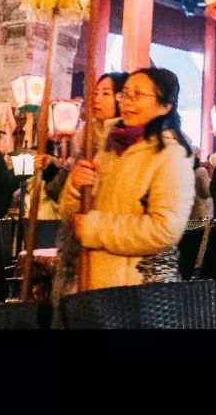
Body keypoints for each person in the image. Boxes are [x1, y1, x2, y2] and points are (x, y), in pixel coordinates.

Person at [60, 68, 195, 289]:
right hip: (92, 280)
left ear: (165, 106)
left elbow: (164, 229)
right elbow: (72, 217)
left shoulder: (171, 156)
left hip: (134, 288)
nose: (126, 101)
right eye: (124, 94)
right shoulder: (109, 148)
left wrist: (95, 229)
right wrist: (74, 187)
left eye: (138, 95)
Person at [47, 72, 127, 324]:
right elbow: (60, 192)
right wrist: (53, 167)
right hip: (73, 239)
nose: (97, 99)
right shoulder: (85, 138)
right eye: (95, 93)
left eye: (106, 93)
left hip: (102, 245)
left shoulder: (122, 142)